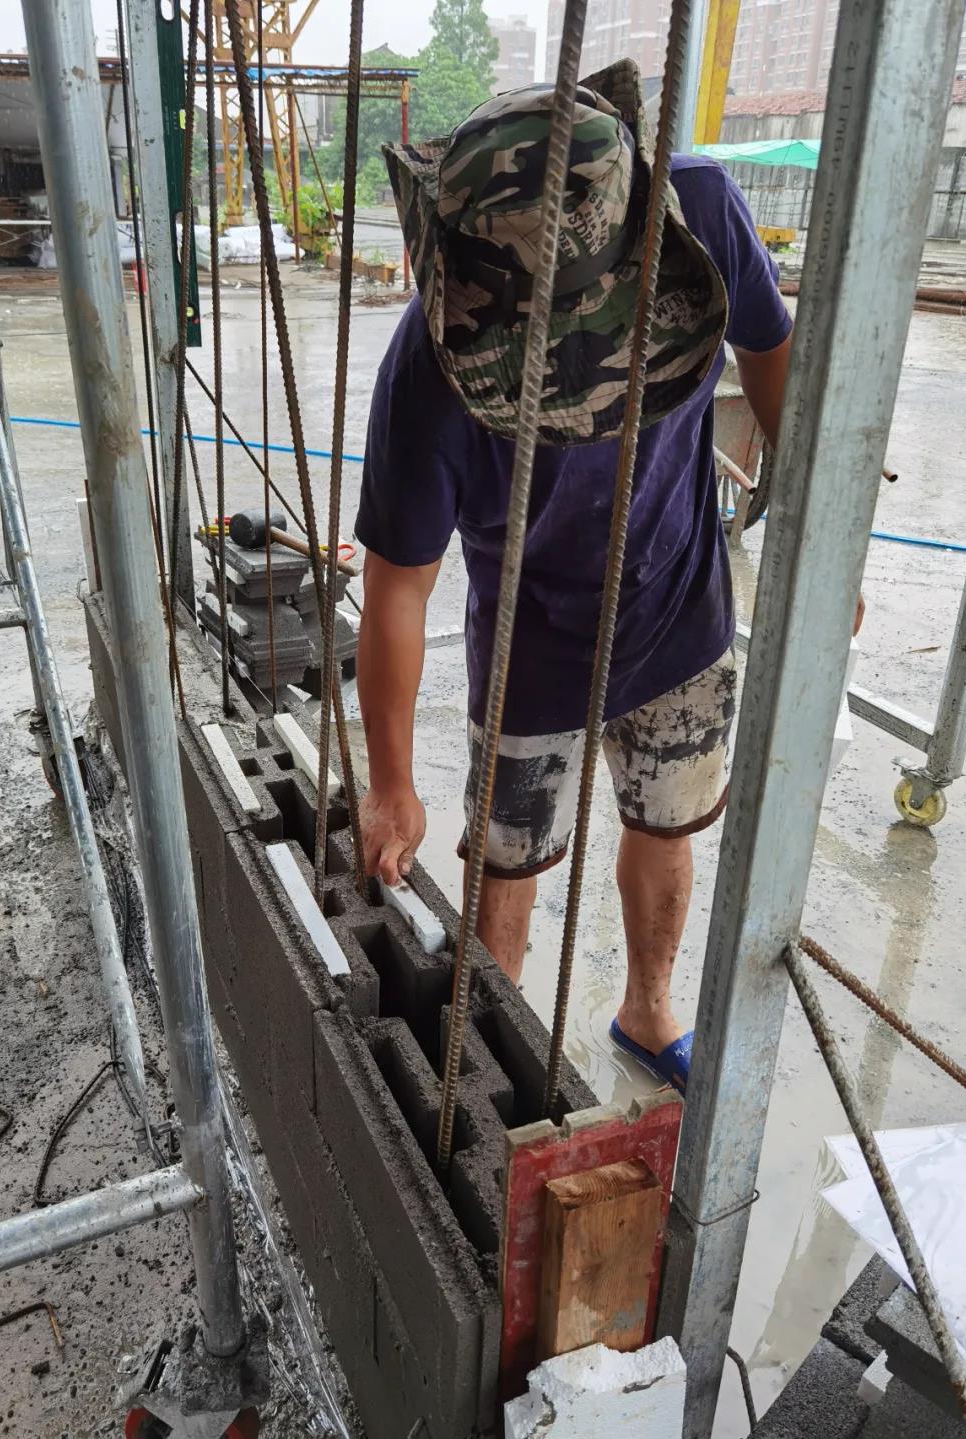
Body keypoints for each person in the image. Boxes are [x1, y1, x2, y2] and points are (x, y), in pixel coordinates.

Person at [352, 61, 796, 1094]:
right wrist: (391, 781)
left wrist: (817, 514)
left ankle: (648, 1007)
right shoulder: (429, 369)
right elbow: (398, 590)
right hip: (531, 637)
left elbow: (771, 348)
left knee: (668, 818)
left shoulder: (700, 212)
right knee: (508, 860)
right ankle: (493, 1052)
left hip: (679, 594)